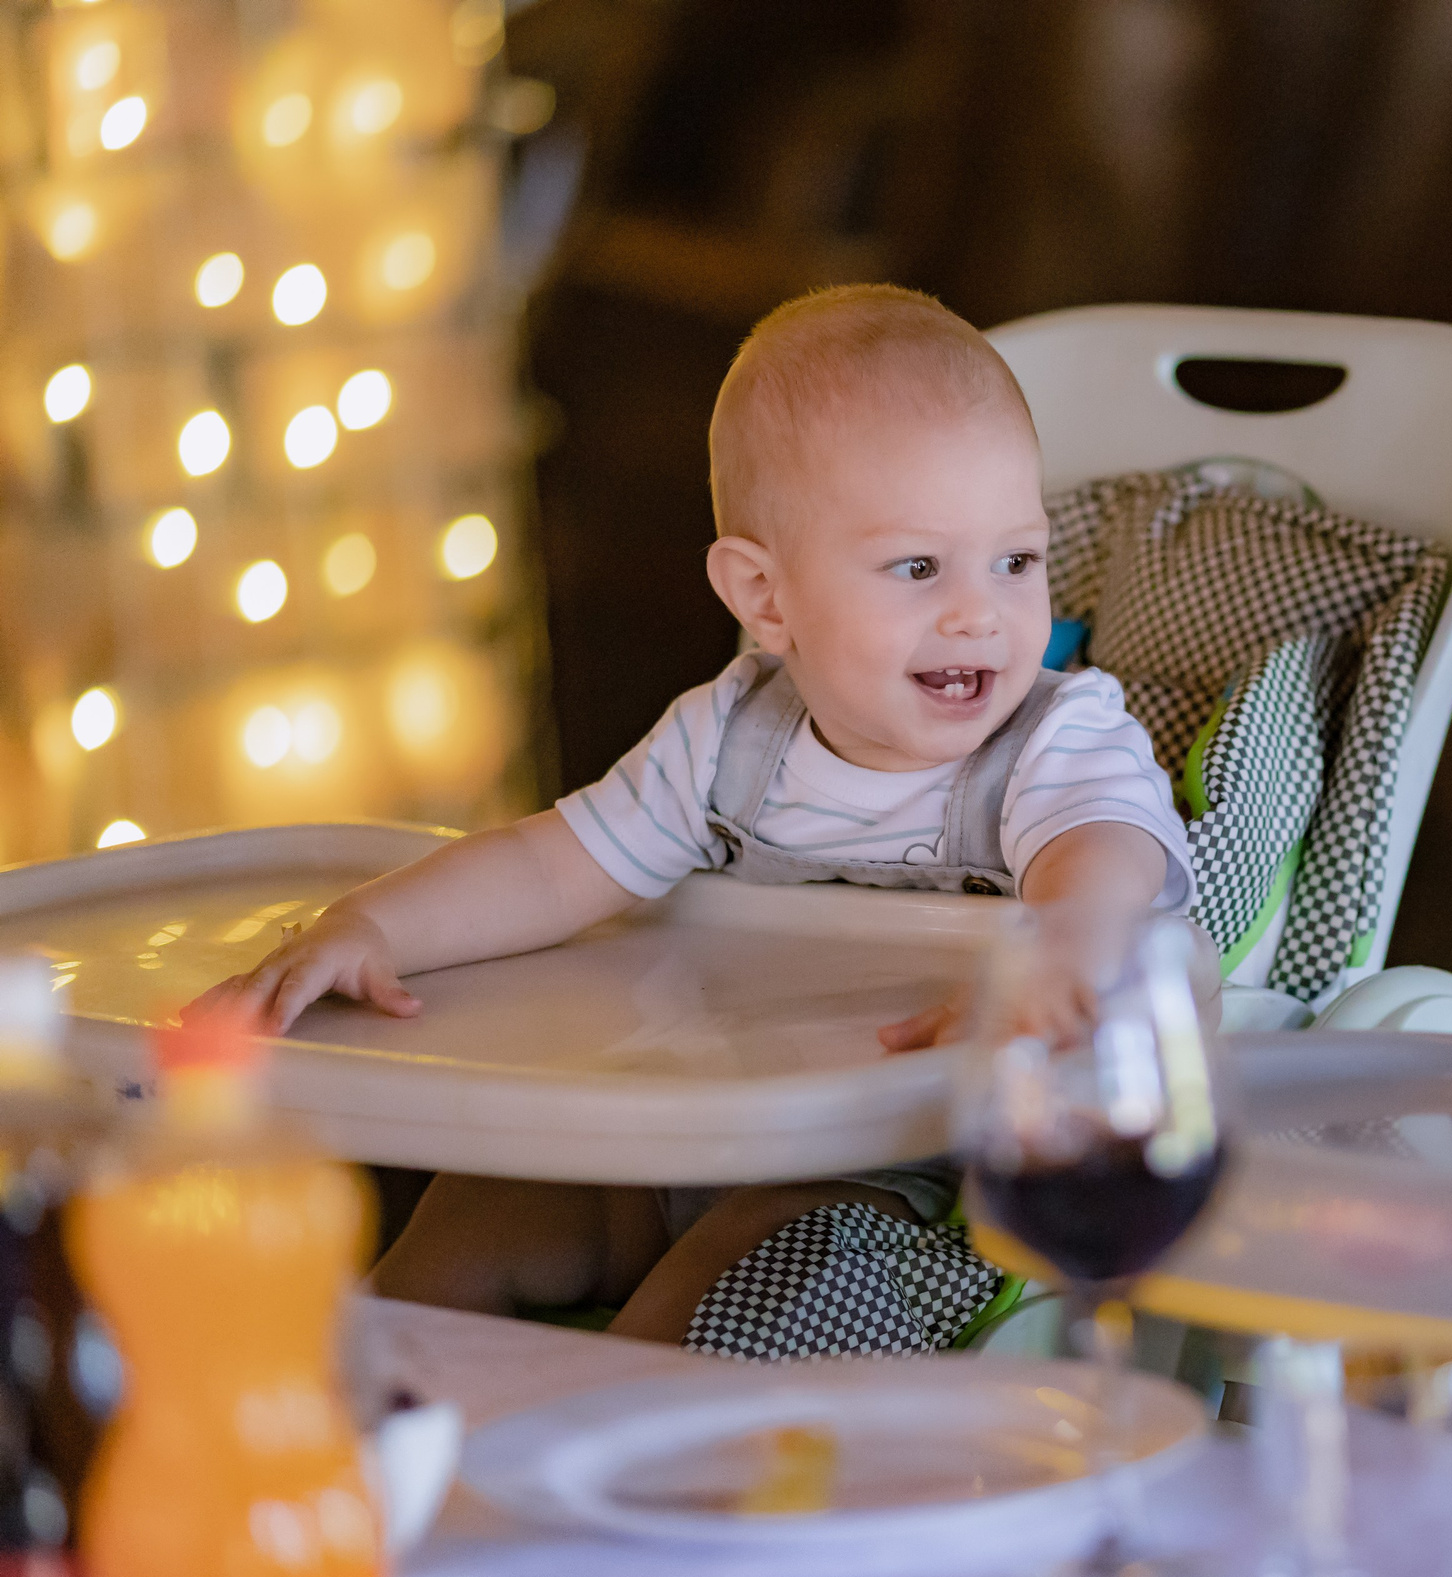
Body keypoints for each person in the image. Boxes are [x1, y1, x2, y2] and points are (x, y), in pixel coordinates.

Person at [188, 284, 1193, 1344]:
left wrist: (1056, 953)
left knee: (701, 1303)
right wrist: (369, 929)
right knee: (455, 1233)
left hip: (906, 1168)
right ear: (765, 600)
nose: (980, 611)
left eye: (1016, 561)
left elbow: (1103, 852)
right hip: (689, 1128)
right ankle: (387, 1460)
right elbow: (549, 869)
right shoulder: (727, 740)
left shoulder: (1053, 739)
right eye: (915, 566)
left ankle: (597, 1475)